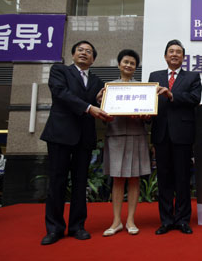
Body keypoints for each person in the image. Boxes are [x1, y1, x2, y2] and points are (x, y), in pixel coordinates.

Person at [40, 40, 112, 245]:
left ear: (94, 59)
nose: (84, 53)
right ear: (73, 55)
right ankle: (54, 229)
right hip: (60, 135)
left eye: (89, 51)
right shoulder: (59, 71)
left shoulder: (98, 82)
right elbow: (62, 94)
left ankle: (77, 226)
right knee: (57, 182)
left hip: (85, 138)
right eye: (80, 50)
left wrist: (102, 104)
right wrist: (90, 107)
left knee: (80, 184)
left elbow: (100, 104)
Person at [148, 39, 202, 235]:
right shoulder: (155, 76)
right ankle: (166, 220)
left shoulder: (193, 77)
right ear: (165, 56)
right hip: (161, 133)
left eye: (178, 52)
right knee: (164, 179)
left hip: (183, 134)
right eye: (171, 51)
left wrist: (171, 95)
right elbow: (148, 102)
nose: (174, 54)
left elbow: (194, 99)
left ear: (183, 57)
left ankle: (182, 220)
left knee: (182, 178)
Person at [101, 49, 151, 237]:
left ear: (136, 67)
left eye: (132, 63)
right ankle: (116, 221)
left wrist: (147, 115)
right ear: (119, 64)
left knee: (135, 178)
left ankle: (130, 220)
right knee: (117, 179)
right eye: (125, 62)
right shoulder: (108, 88)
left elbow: (148, 116)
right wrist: (104, 112)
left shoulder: (143, 88)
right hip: (116, 135)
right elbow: (102, 115)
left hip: (137, 134)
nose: (128, 65)